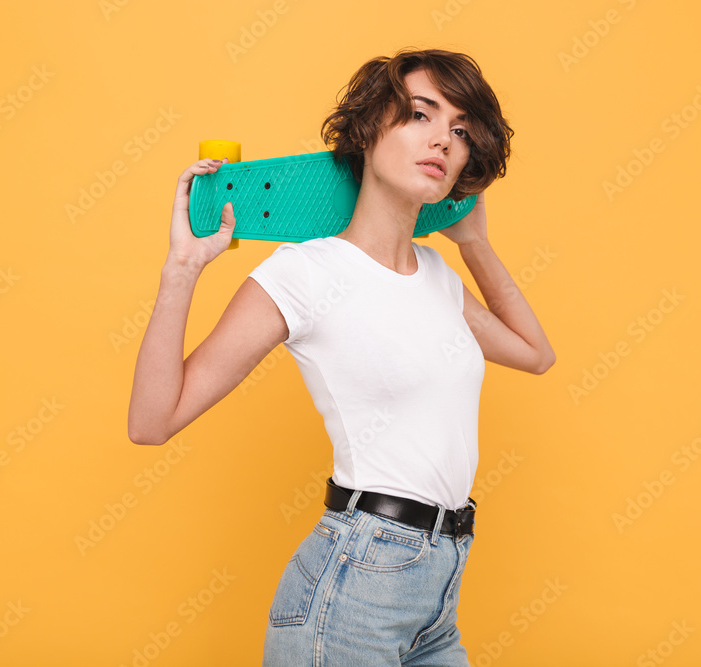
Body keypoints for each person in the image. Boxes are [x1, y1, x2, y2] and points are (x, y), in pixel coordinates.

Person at [128, 47, 555, 665]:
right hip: (356, 585)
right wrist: (182, 270)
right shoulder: (304, 273)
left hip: (439, 587)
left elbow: (535, 353)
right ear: (367, 131)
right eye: (419, 114)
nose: (442, 140)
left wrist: (476, 244)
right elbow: (151, 421)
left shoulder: (435, 275)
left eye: (460, 131)